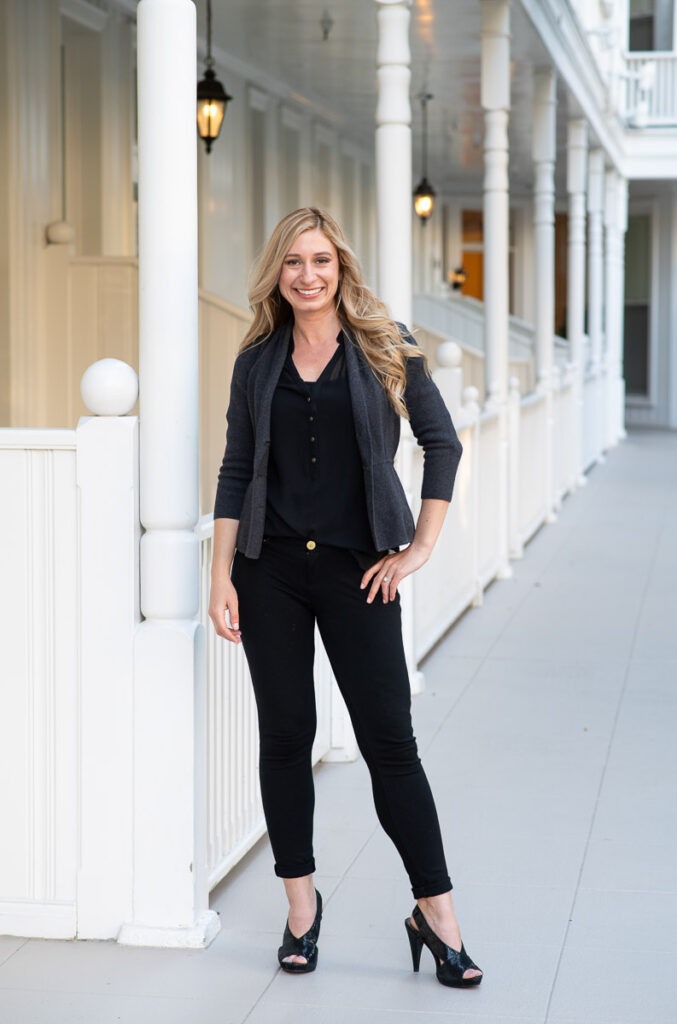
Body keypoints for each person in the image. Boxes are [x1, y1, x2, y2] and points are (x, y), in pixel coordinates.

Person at [209, 207, 482, 988]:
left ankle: (436, 913)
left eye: (320, 261)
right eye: (292, 262)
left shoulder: (384, 342)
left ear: (341, 268)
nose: (306, 275)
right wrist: (221, 573)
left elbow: (442, 442)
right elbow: (234, 468)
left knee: (389, 741)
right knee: (285, 735)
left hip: (358, 570)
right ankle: (301, 908)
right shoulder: (258, 358)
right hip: (269, 573)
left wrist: (420, 546)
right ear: (278, 272)